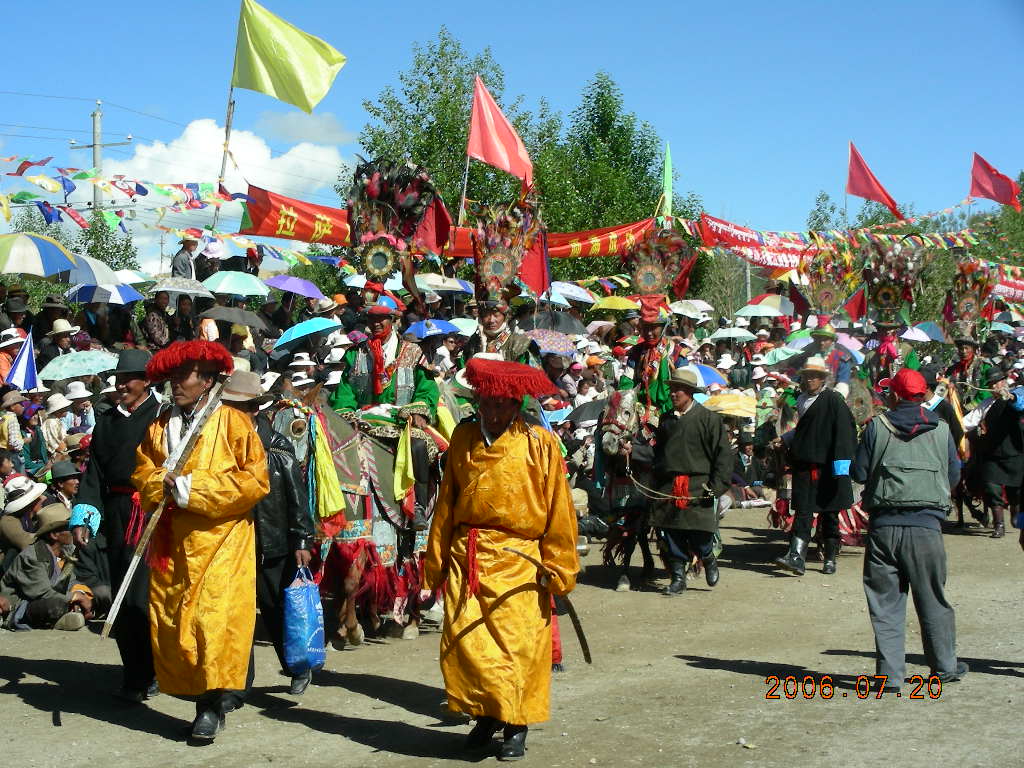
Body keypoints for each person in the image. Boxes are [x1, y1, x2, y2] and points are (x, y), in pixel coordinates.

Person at [424, 357, 578, 761]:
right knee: (468, 643)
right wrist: (436, 562)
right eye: (486, 404)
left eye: (501, 405)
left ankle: (516, 724)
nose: (492, 413)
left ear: (516, 405)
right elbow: (446, 503)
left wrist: (558, 567)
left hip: (520, 559)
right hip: (468, 555)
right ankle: (485, 716)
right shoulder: (463, 438)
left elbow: (559, 508)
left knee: (517, 645)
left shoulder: (538, 443)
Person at [132, 340, 269, 742]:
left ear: (208, 380)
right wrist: (163, 484)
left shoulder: (233, 423)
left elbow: (254, 480)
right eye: (172, 376)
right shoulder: (158, 426)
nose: (176, 383)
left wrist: (193, 488)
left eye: (184, 375)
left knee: (212, 620)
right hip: (173, 542)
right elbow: (144, 473)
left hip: (222, 541)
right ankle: (200, 692)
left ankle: (210, 705)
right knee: (176, 622)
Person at [852, 368, 968, 688]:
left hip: (884, 528)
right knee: (933, 598)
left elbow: (860, 472)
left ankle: (890, 676)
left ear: (897, 394)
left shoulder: (876, 427)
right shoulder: (942, 429)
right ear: (922, 395)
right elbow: (954, 476)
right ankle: (944, 667)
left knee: (886, 603)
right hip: (927, 527)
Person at [71, 348, 162, 703]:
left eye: (129, 379)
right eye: (119, 379)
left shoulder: (161, 416)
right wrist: (84, 514)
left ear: (146, 380)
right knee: (122, 600)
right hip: (115, 512)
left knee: (143, 598)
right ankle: (135, 674)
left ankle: (154, 668)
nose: (121, 385)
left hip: (150, 512)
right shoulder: (107, 420)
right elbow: (93, 473)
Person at [220, 370, 315, 696]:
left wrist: (302, 538)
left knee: (277, 611)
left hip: (271, 542)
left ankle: (297, 666)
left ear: (255, 410)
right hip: (234, 544)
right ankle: (236, 686)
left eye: (239, 408)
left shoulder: (276, 445)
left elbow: (296, 495)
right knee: (236, 615)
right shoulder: (221, 448)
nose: (232, 415)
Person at [648, 366, 733, 594]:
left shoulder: (709, 419)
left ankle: (708, 558)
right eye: (672, 389)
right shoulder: (666, 420)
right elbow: (658, 454)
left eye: (679, 390)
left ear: (690, 392)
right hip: (669, 485)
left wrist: (716, 487)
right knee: (670, 533)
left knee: (700, 533)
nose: (673, 394)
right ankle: (678, 578)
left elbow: (723, 456)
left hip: (699, 485)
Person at [774, 356, 856, 576]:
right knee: (803, 512)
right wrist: (786, 440)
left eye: (815, 376)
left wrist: (841, 468)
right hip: (804, 466)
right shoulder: (801, 400)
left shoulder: (833, 400)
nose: (810, 380)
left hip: (829, 468)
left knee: (829, 514)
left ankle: (829, 557)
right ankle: (796, 557)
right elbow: (804, 430)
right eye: (807, 376)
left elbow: (845, 434)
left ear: (822, 379)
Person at [0, 503, 104, 630]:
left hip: (54, 596)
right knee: (55, 605)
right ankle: (62, 618)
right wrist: (76, 597)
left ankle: (69, 615)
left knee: (101, 594)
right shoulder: (32, 556)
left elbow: (69, 582)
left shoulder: (63, 553)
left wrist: (80, 594)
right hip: (22, 606)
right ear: (55, 535)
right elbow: (42, 593)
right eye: (69, 528)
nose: (73, 532)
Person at [963, 366, 1024, 538]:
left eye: (998, 382)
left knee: (1016, 494)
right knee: (991, 488)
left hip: (1015, 453)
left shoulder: (1017, 394)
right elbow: (967, 422)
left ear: (1004, 381)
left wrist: (1010, 397)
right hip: (993, 453)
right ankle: (999, 525)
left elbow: (1021, 403)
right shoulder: (986, 405)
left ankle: (1016, 517)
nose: (995, 386)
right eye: (991, 384)